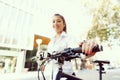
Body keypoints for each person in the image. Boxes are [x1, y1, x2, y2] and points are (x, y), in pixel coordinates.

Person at [42, 13, 97, 80]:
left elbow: (77, 51)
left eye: (58, 21)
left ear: (64, 24)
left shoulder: (69, 38)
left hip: (65, 76)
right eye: (53, 21)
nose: (55, 23)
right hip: (50, 76)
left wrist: (86, 50)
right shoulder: (51, 41)